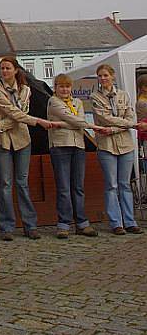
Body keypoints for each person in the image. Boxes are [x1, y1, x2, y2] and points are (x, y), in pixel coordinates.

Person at [0, 56, 63, 241]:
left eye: (8, 68)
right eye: (2, 68)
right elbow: (13, 112)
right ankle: (7, 226)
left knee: (22, 183)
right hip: (1, 140)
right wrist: (38, 121)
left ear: (16, 70)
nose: (5, 71)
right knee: (5, 184)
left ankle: (30, 225)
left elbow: (19, 115)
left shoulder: (26, 90)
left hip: (22, 139)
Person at [47, 74, 108, 239]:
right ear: (56, 88)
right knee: (64, 188)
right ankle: (64, 224)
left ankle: (82, 223)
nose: (65, 89)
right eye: (61, 86)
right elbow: (72, 119)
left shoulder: (78, 102)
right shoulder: (53, 102)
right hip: (60, 146)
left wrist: (63, 124)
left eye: (67, 86)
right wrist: (84, 125)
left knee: (78, 187)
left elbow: (78, 119)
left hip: (78, 146)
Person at [91, 64, 144, 235]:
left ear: (112, 76)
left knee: (125, 184)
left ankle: (130, 220)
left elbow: (130, 116)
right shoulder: (95, 97)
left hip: (125, 145)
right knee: (111, 185)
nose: (103, 78)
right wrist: (130, 125)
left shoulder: (124, 95)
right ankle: (116, 222)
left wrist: (116, 128)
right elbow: (104, 118)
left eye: (106, 75)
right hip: (107, 146)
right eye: (100, 76)